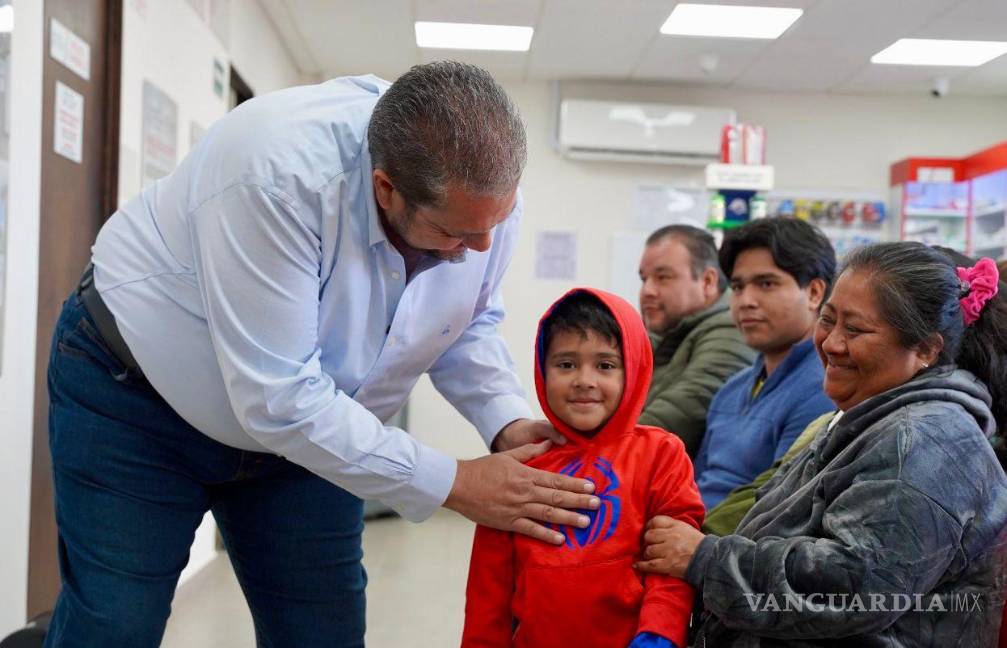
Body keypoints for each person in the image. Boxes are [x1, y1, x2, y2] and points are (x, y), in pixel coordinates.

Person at [44, 62, 601, 647]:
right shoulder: (276, 173)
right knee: (112, 627)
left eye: (497, 223)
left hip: (312, 430)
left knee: (322, 634)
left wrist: (505, 421)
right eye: (457, 235)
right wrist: (457, 483)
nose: (480, 249)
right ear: (387, 188)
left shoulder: (481, 198)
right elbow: (280, 397)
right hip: (137, 399)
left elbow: (465, 319)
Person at [637, 242, 1007, 646]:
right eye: (828, 321)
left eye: (856, 330)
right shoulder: (868, 418)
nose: (831, 343)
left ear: (925, 349)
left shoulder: (924, 440)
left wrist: (704, 559)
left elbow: (853, 588)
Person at [462, 289, 705, 648]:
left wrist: (660, 633)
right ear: (542, 370)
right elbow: (488, 594)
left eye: (605, 365)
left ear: (633, 369)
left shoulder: (661, 453)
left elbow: (671, 562)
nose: (584, 380)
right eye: (566, 364)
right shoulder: (520, 466)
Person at [692, 218, 836, 509]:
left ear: (814, 293)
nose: (746, 300)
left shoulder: (825, 388)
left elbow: (780, 506)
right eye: (737, 286)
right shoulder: (732, 388)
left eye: (766, 283)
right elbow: (692, 485)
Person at [637, 225, 756, 456]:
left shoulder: (731, 329)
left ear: (708, 281)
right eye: (644, 279)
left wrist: (602, 452)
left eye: (663, 277)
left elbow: (685, 411)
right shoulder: (665, 333)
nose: (647, 290)